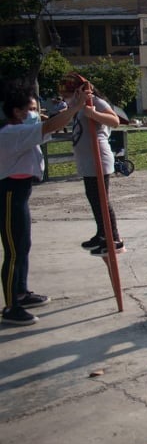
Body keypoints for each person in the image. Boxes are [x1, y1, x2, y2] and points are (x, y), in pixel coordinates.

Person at [1, 89, 85, 326]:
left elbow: (51, 127)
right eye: (31, 109)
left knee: (23, 245)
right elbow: (49, 127)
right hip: (9, 193)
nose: (35, 114)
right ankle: (10, 306)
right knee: (13, 251)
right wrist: (75, 107)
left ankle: (21, 292)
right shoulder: (13, 133)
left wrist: (67, 112)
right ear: (16, 112)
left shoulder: (23, 131)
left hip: (20, 192)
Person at [61, 74, 124, 257]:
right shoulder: (76, 104)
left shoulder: (94, 101)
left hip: (99, 159)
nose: (66, 96)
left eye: (69, 92)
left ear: (79, 90)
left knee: (101, 199)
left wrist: (93, 113)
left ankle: (114, 237)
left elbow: (115, 121)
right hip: (87, 160)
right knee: (93, 198)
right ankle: (102, 234)